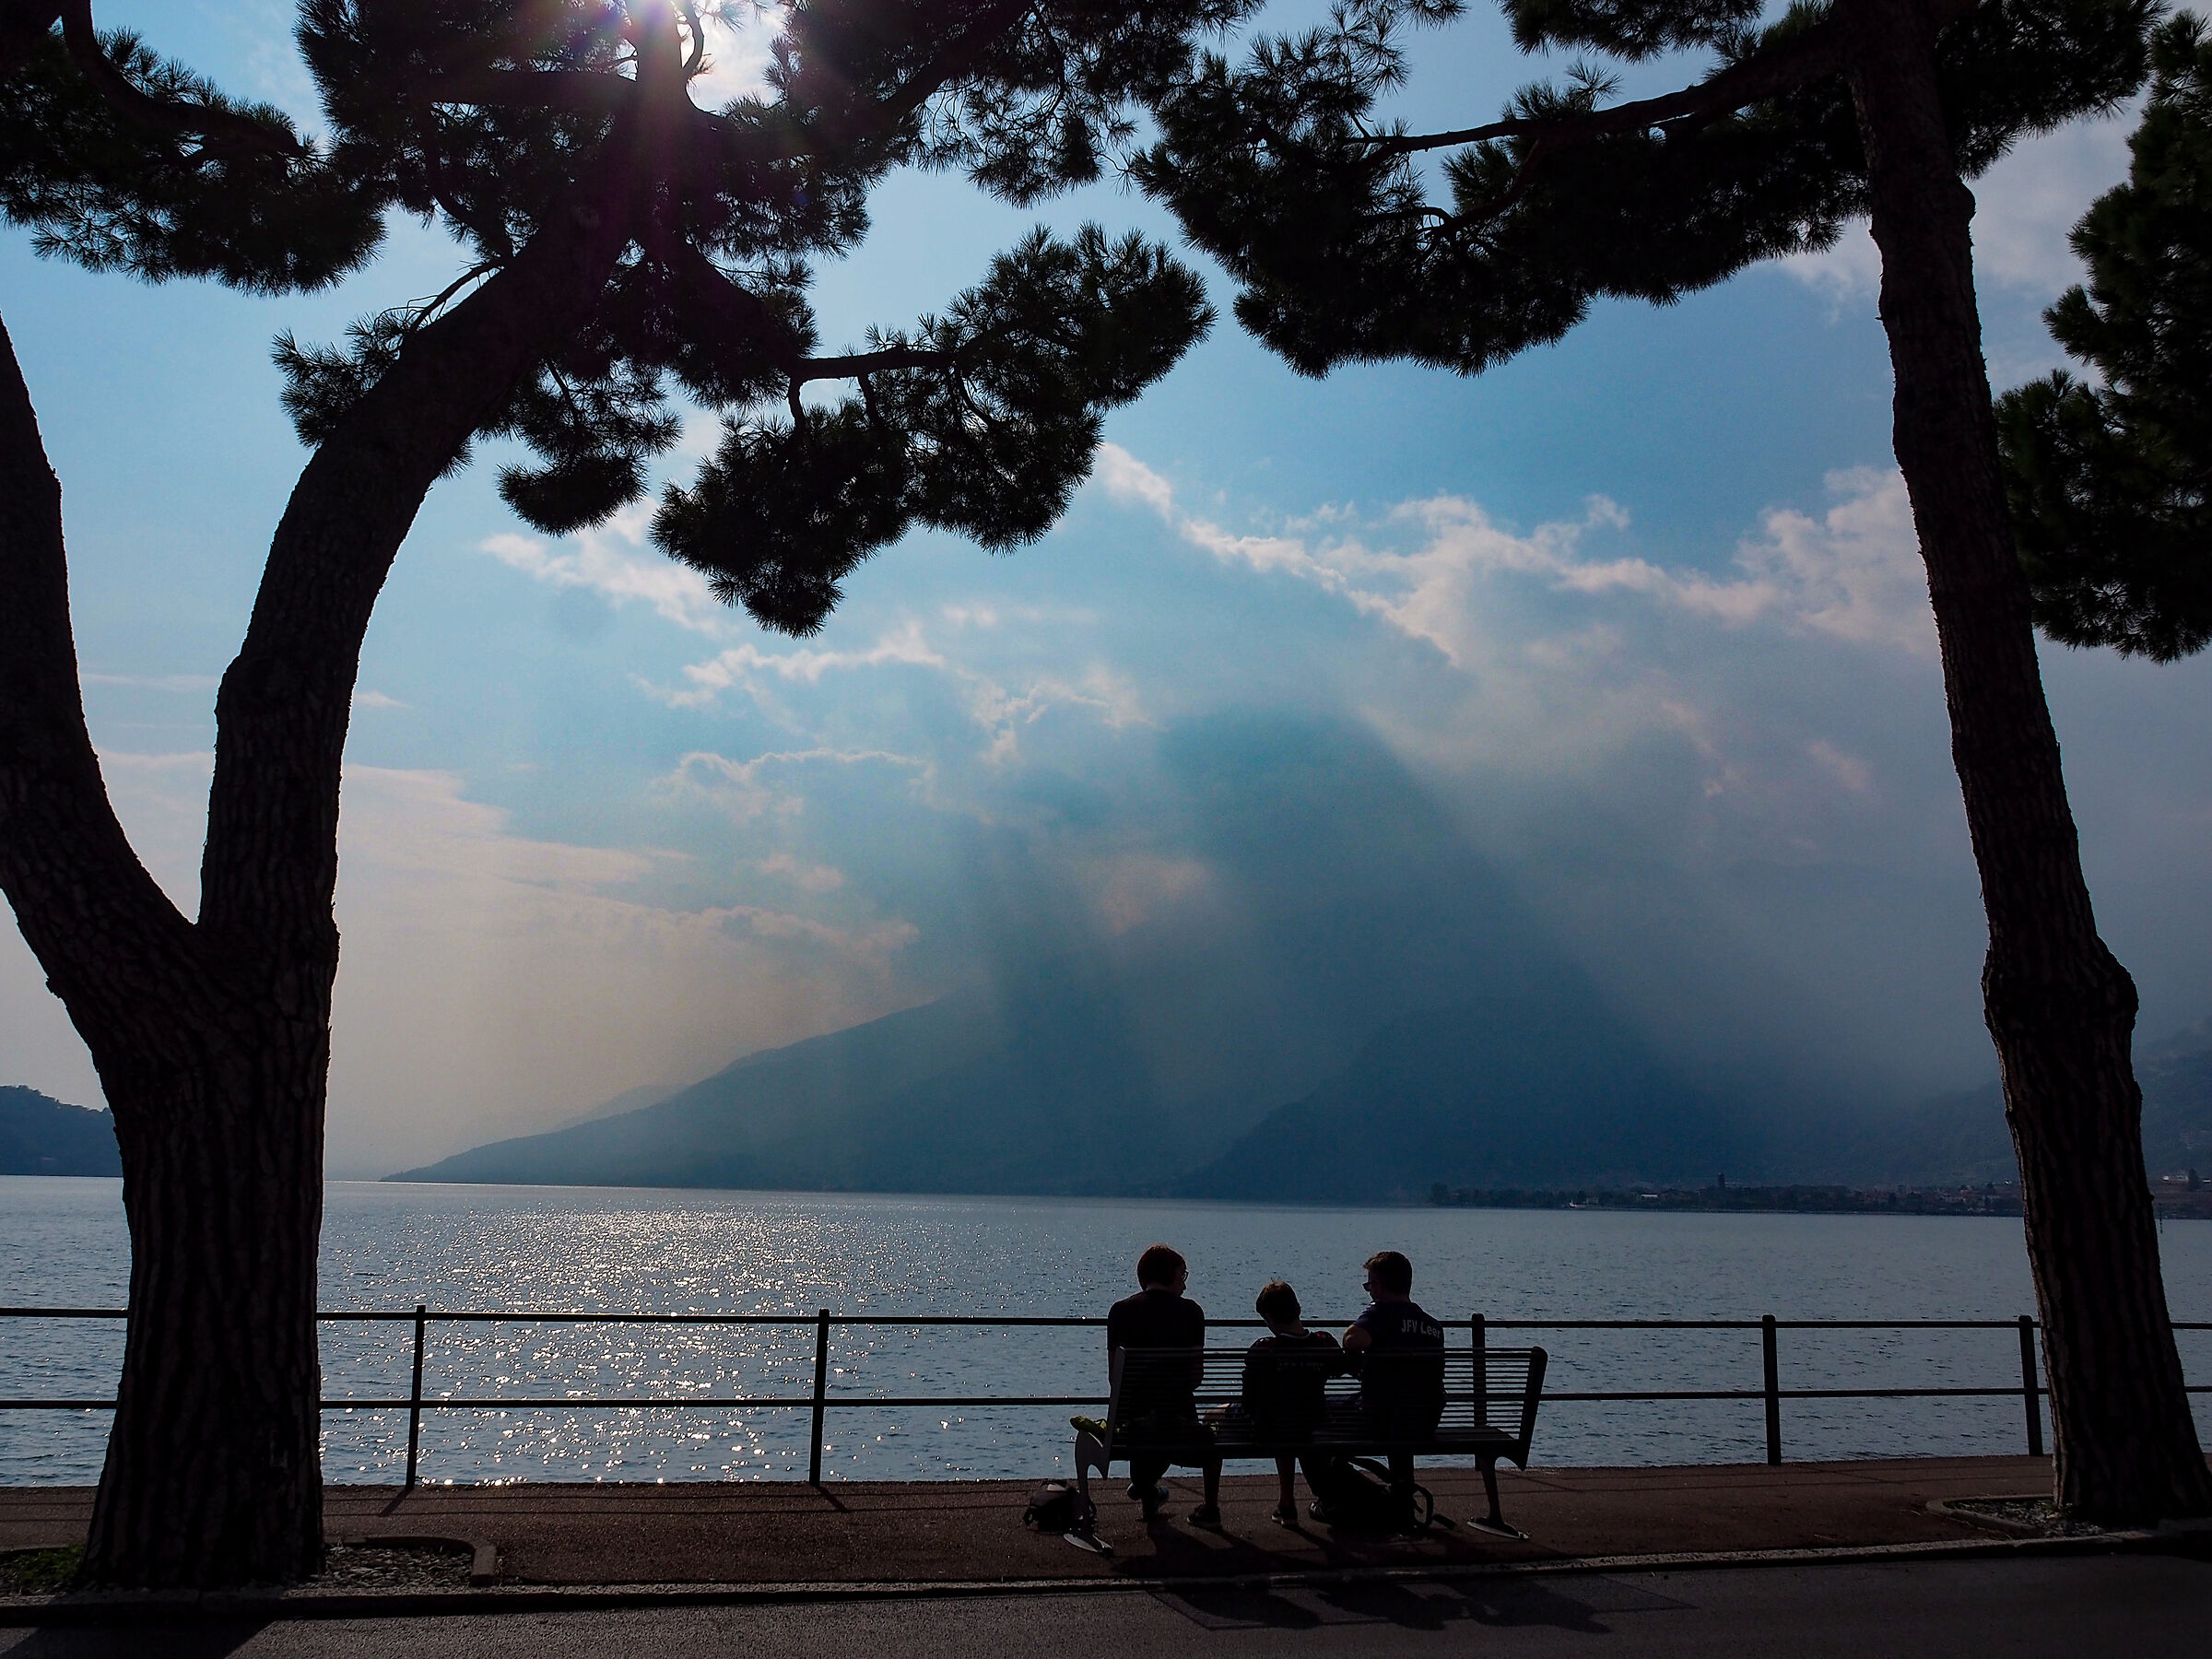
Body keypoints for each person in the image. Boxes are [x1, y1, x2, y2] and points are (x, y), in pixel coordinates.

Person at [1105, 1243, 1222, 1524]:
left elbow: (1115, 1379)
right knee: (1173, 1422)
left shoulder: (1120, 1312)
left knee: (1146, 1419)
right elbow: (1196, 1378)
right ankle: (1204, 1507)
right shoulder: (1192, 1313)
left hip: (1133, 1425)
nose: (1184, 1285)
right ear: (1169, 1275)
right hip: (1179, 1421)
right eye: (1182, 1276)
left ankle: (1146, 1490)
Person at [1240, 1279, 1343, 1525]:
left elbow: (1248, 1400)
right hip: (1313, 1421)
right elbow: (1342, 1367)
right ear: (1298, 1309)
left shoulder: (1264, 1348)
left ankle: (1212, 1508)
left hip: (1271, 1428)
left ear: (1268, 1318)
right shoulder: (1324, 1342)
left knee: (1215, 1415)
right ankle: (1292, 1501)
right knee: (1291, 1418)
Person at [1342, 1249, 1445, 1493]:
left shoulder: (1381, 1312)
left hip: (1382, 1420)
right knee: (1400, 1410)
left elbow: (1352, 1340)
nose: (1369, 1290)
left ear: (1381, 1285)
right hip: (1424, 1420)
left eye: (1370, 1285)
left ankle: (1350, 1495)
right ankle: (1402, 1493)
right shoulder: (1433, 1325)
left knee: (1314, 1417)